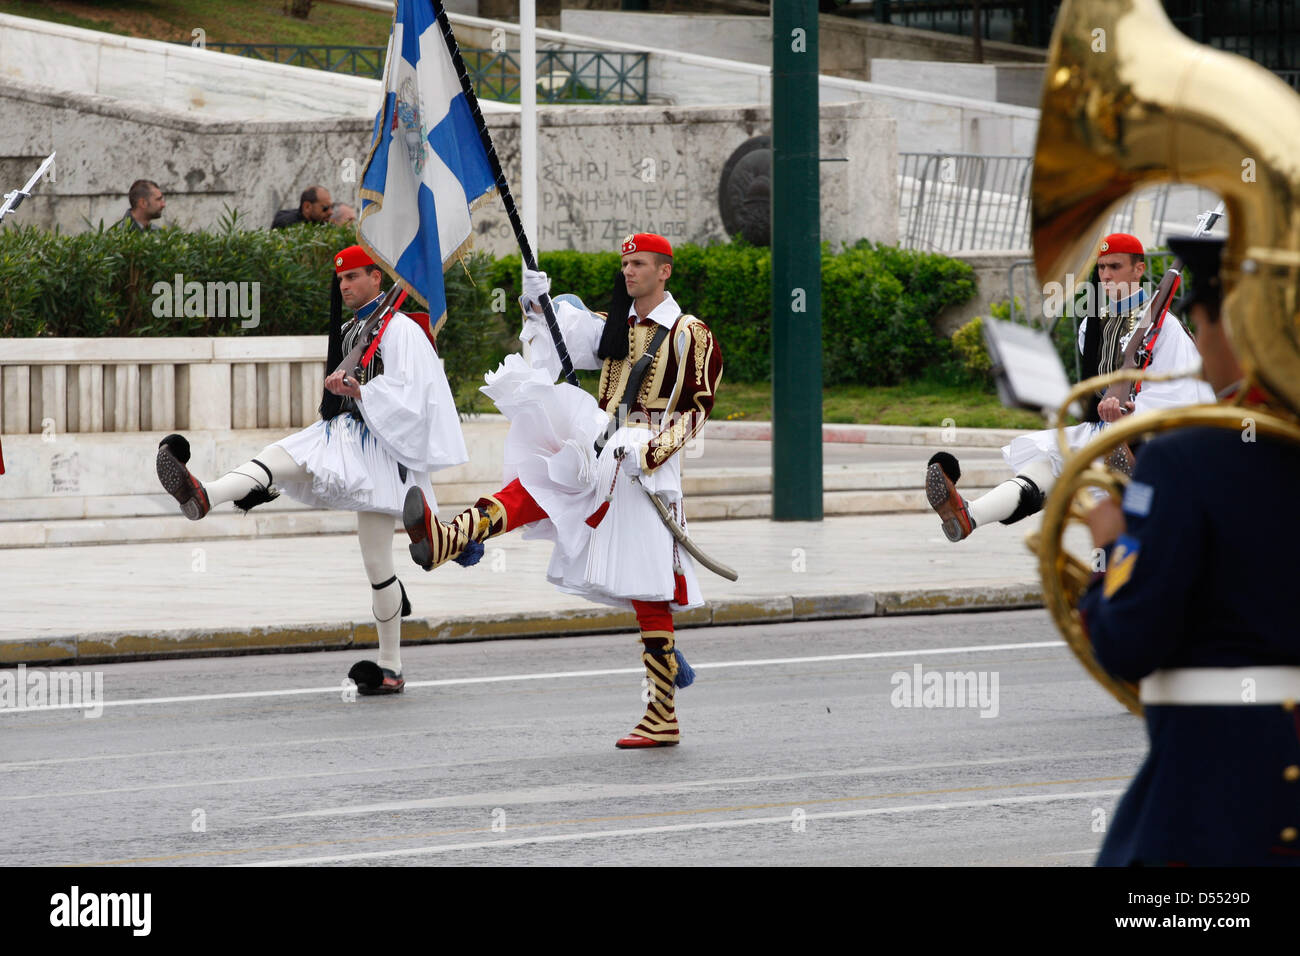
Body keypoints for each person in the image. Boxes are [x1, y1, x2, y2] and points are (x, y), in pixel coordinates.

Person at [402, 233, 723, 748]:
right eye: (625, 263)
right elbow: (559, 335)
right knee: (540, 480)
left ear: (664, 271)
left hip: (646, 463)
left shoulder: (690, 333)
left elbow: (696, 407)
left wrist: (654, 451)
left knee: (646, 586)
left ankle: (662, 712)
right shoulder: (617, 325)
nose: (629, 271)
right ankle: (450, 538)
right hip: (603, 446)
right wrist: (537, 300)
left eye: (639, 264)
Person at [155, 245, 467, 694]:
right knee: (292, 470)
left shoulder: (401, 331)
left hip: (383, 448)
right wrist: (351, 393)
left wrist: (362, 392)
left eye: (354, 277)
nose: (345, 286)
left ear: (377, 278)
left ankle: (208, 495)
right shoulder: (352, 329)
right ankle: (205, 495)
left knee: (363, 546)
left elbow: (417, 398)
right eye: (341, 280)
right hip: (351, 436)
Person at [1078, 235, 1300, 865]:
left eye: (1204, 326)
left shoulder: (1187, 459)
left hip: (1217, 794)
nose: (1201, 349)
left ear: (1232, 329)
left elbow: (1128, 642)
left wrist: (1112, 546)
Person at [926, 232, 1214, 541]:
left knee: (1104, 509)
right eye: (1101, 268)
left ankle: (1128, 478)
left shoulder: (1166, 327)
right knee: (1048, 461)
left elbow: (1186, 391)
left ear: (1139, 270)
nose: (1106, 275)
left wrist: (1131, 412)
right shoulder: (1091, 325)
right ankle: (969, 516)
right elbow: (1093, 390)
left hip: (1151, 437)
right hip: (1104, 434)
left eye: (1115, 266)